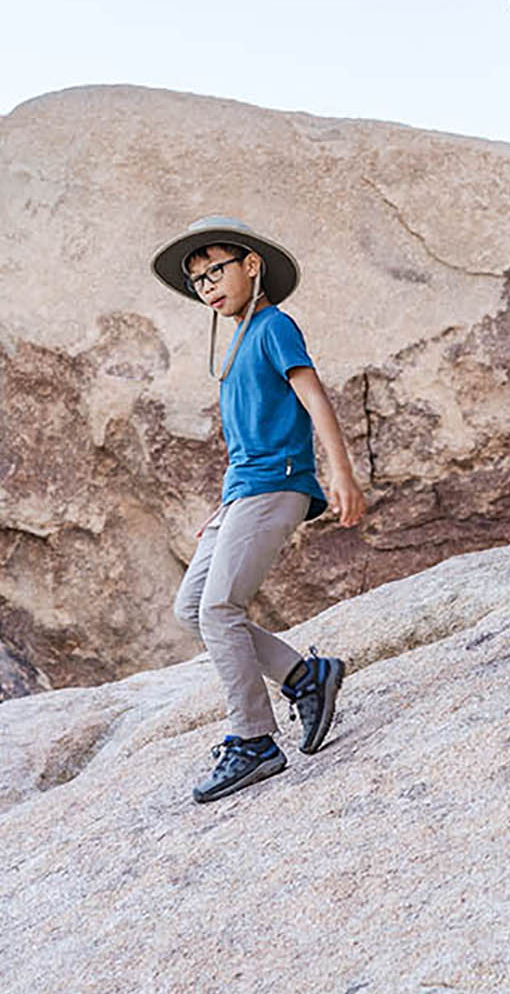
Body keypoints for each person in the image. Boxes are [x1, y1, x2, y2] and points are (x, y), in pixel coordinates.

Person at [150, 215, 367, 803]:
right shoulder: (237, 341)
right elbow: (247, 435)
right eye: (197, 281)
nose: (207, 286)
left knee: (221, 608)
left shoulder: (273, 326)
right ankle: (306, 676)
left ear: (251, 265)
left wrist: (341, 473)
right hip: (241, 492)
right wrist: (222, 507)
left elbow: (313, 396)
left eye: (215, 269)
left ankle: (253, 739)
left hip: (279, 484)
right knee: (193, 607)